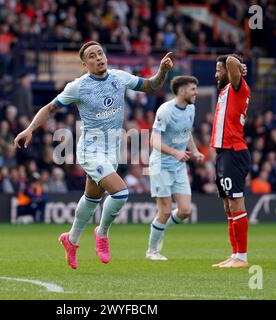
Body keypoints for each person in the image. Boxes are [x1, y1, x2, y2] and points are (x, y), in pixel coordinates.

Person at [14, 41, 173, 269]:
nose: (98, 57)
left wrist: (162, 72)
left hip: (112, 152)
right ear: (84, 64)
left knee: (92, 199)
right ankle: (102, 232)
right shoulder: (78, 87)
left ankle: (71, 239)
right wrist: (29, 129)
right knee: (120, 193)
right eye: (92, 55)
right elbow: (49, 108)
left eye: (100, 53)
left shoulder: (119, 77)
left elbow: (150, 86)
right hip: (90, 150)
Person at [146, 76, 204, 260]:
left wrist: (195, 151)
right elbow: (153, 141)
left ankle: (159, 227)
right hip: (161, 165)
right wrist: (175, 153)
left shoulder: (191, 109)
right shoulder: (165, 110)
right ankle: (152, 251)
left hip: (178, 166)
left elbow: (186, 133)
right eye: (193, 89)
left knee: (185, 211)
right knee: (164, 211)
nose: (196, 92)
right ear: (181, 90)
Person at [210, 54, 250, 268]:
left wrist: (237, 64)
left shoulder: (238, 87)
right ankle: (235, 255)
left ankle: (242, 257)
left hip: (234, 151)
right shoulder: (226, 91)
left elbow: (233, 62)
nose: (216, 74)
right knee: (228, 205)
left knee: (236, 202)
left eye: (219, 70)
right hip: (224, 153)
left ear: (228, 71)